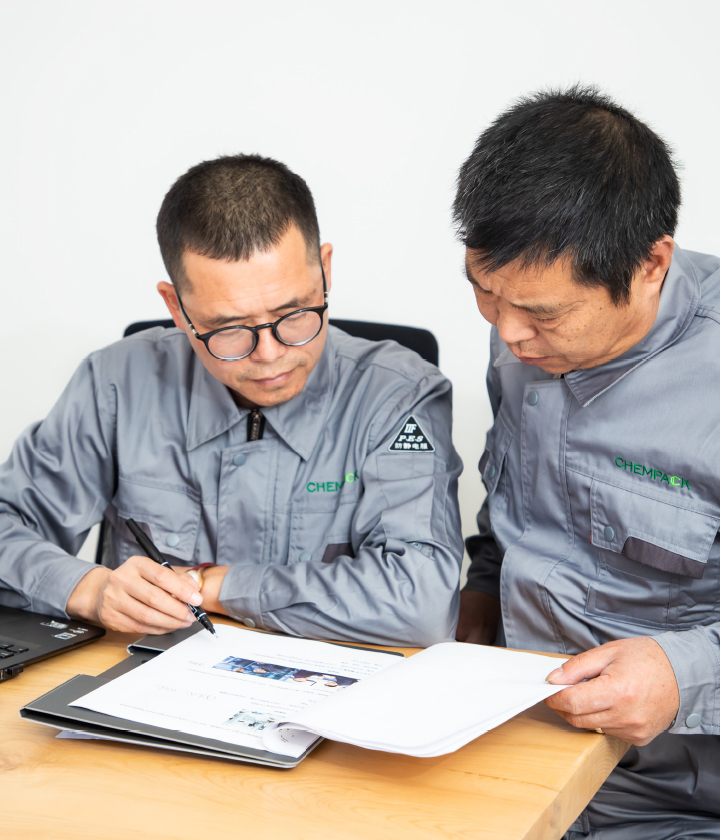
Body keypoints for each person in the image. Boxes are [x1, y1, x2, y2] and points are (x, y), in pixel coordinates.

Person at [0, 154, 463, 647]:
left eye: (294, 314)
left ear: (325, 271)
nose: (269, 355)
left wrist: (214, 586)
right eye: (228, 329)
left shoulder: (400, 394)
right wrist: (89, 590)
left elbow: (422, 603)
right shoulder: (115, 382)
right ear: (176, 307)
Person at [453, 86, 720, 838]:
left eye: (542, 314)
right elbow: (516, 501)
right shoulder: (523, 324)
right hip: (511, 751)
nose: (509, 334)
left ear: (650, 264)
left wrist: (685, 674)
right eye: (483, 292)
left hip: (672, 801)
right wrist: (481, 591)